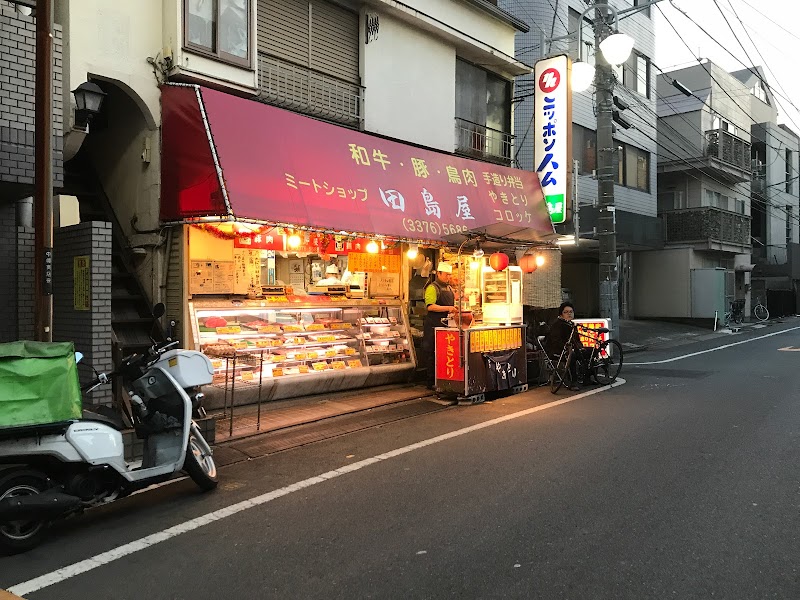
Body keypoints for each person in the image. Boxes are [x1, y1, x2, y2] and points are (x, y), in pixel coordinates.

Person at [421, 262, 457, 390]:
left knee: (444, 353)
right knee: (432, 353)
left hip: (446, 326)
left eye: (450, 275)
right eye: (446, 274)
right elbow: (430, 306)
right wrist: (448, 308)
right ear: (439, 274)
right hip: (433, 326)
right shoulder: (432, 288)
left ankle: (443, 380)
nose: (448, 277)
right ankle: (431, 381)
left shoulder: (449, 288)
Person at [543, 301, 593, 391]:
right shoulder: (557, 325)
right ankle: (572, 382)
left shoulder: (572, 324)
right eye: (566, 312)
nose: (569, 314)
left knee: (591, 351)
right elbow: (556, 342)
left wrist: (580, 347)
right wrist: (568, 348)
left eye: (571, 312)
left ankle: (587, 378)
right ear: (561, 314)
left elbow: (577, 340)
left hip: (572, 349)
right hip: (557, 351)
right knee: (571, 355)